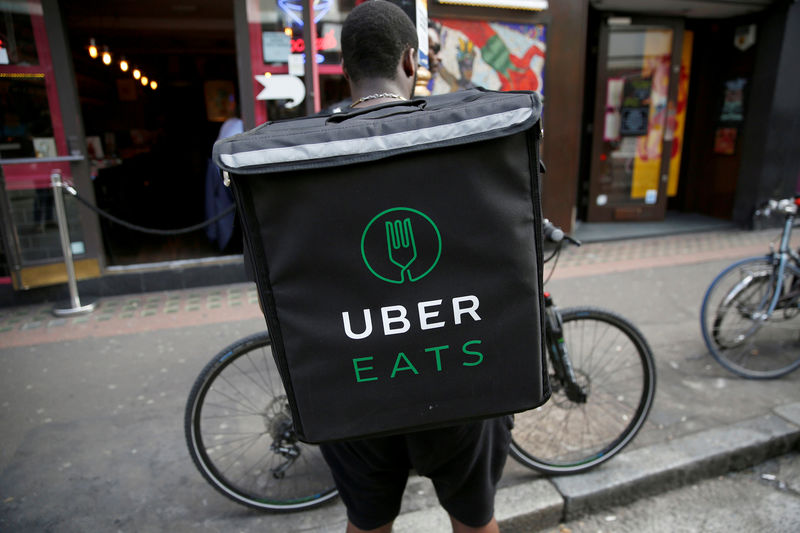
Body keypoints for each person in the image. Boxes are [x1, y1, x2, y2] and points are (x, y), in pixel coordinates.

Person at [318, 3, 512, 533]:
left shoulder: (304, 157)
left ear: (344, 69)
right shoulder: (458, 140)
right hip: (459, 375)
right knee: (475, 521)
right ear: (411, 60)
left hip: (355, 384)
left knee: (368, 524)